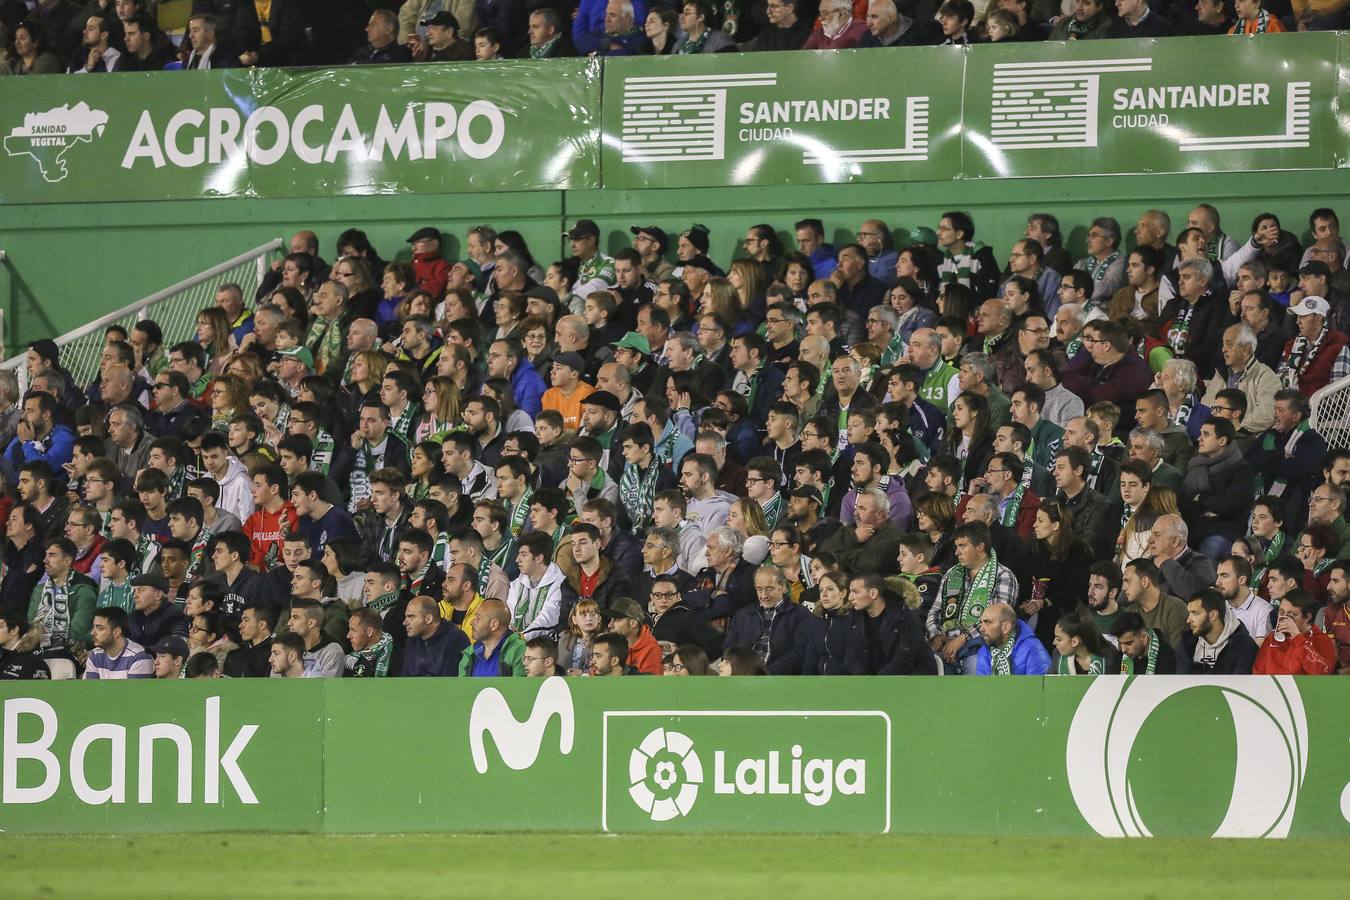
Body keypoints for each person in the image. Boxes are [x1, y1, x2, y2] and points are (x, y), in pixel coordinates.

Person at [931, 522, 1018, 674]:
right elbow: (935, 611)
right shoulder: (952, 574)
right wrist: (936, 634)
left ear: (980, 547)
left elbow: (996, 622)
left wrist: (963, 638)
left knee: (976, 666)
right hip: (946, 647)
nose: (957, 552)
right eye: (956, 546)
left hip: (981, 648)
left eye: (963, 546)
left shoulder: (1003, 576)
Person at [843, 573, 934, 675]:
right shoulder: (854, 619)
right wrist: (864, 681)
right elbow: (853, 657)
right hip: (877, 683)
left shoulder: (905, 616)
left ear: (873, 593)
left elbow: (905, 659)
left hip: (913, 680)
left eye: (855, 592)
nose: (850, 597)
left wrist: (878, 683)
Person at [1252, 590, 1334, 675]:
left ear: (1307, 618)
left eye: (1291, 614)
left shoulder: (1321, 640)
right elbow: (1258, 673)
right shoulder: (1271, 639)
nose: (1284, 618)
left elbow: (1322, 673)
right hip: (1274, 687)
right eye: (1281, 612)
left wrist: (1297, 637)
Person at [1183, 588, 1258, 675]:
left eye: (1195, 613)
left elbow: (1238, 687)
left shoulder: (1244, 647)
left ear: (1213, 615)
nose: (1188, 620)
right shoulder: (1187, 642)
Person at [401, 595, 471, 676]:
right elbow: (404, 678)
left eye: (411, 617)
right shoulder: (412, 640)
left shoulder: (456, 639)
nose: (405, 622)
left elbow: (450, 682)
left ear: (429, 619)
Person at [975, 603, 1050, 675]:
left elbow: (1041, 686)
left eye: (988, 622)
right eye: (981, 623)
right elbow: (982, 687)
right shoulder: (984, 652)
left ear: (1006, 627)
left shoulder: (1032, 649)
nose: (981, 629)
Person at [460, 599, 527, 676]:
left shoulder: (518, 650)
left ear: (494, 625)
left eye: (478, 618)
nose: (472, 622)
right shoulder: (470, 653)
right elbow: (461, 687)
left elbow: (519, 687)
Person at [83, 607, 153, 679]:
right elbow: (91, 689)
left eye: (99, 628)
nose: (92, 633)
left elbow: (135, 690)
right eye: (93, 627)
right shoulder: (95, 655)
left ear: (116, 632)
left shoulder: (139, 657)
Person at [1108, 611, 1179, 674]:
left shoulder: (1167, 657)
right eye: (1120, 643)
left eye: (1128, 643)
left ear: (1144, 637)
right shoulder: (1119, 657)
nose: (1123, 650)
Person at [1052, 606, 1111, 675]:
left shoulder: (1110, 658)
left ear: (1075, 642)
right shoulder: (1058, 655)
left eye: (1059, 639)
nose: (1054, 642)